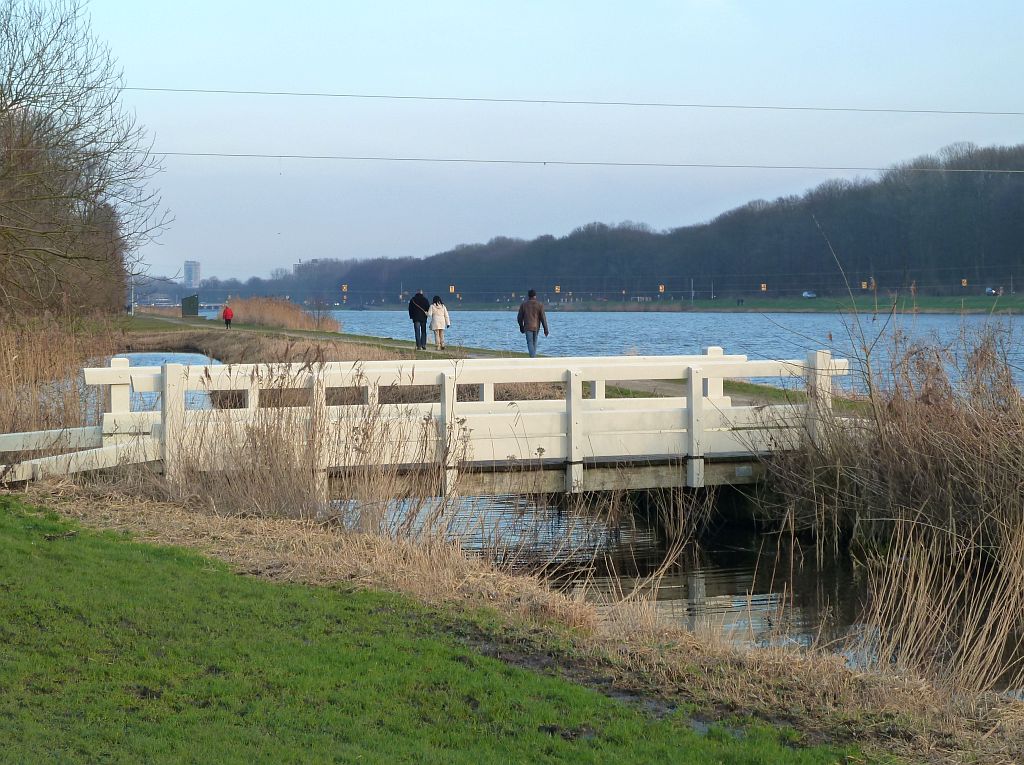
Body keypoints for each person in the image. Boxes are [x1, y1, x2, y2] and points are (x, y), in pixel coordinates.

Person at [516, 289, 549, 357]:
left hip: (527, 327)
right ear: (535, 296)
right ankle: (533, 357)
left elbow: (519, 318)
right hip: (536, 327)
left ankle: (533, 358)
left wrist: (521, 327)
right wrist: (546, 329)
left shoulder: (524, 305)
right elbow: (543, 318)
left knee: (530, 343)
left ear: (528, 296)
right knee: (534, 343)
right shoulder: (540, 305)